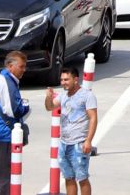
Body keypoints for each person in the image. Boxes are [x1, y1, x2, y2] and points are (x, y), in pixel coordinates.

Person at [0, 52, 30, 195]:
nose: (24, 70)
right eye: (21, 66)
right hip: (3, 133)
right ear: (10, 66)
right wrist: (27, 106)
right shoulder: (7, 82)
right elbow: (15, 110)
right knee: (5, 178)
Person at [46, 64, 98, 195]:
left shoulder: (87, 96)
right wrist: (48, 97)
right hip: (64, 143)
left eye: (66, 79)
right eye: (62, 80)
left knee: (82, 178)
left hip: (79, 143)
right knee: (68, 178)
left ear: (76, 79)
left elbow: (93, 118)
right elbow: (50, 107)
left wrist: (88, 141)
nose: (63, 83)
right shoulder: (63, 96)